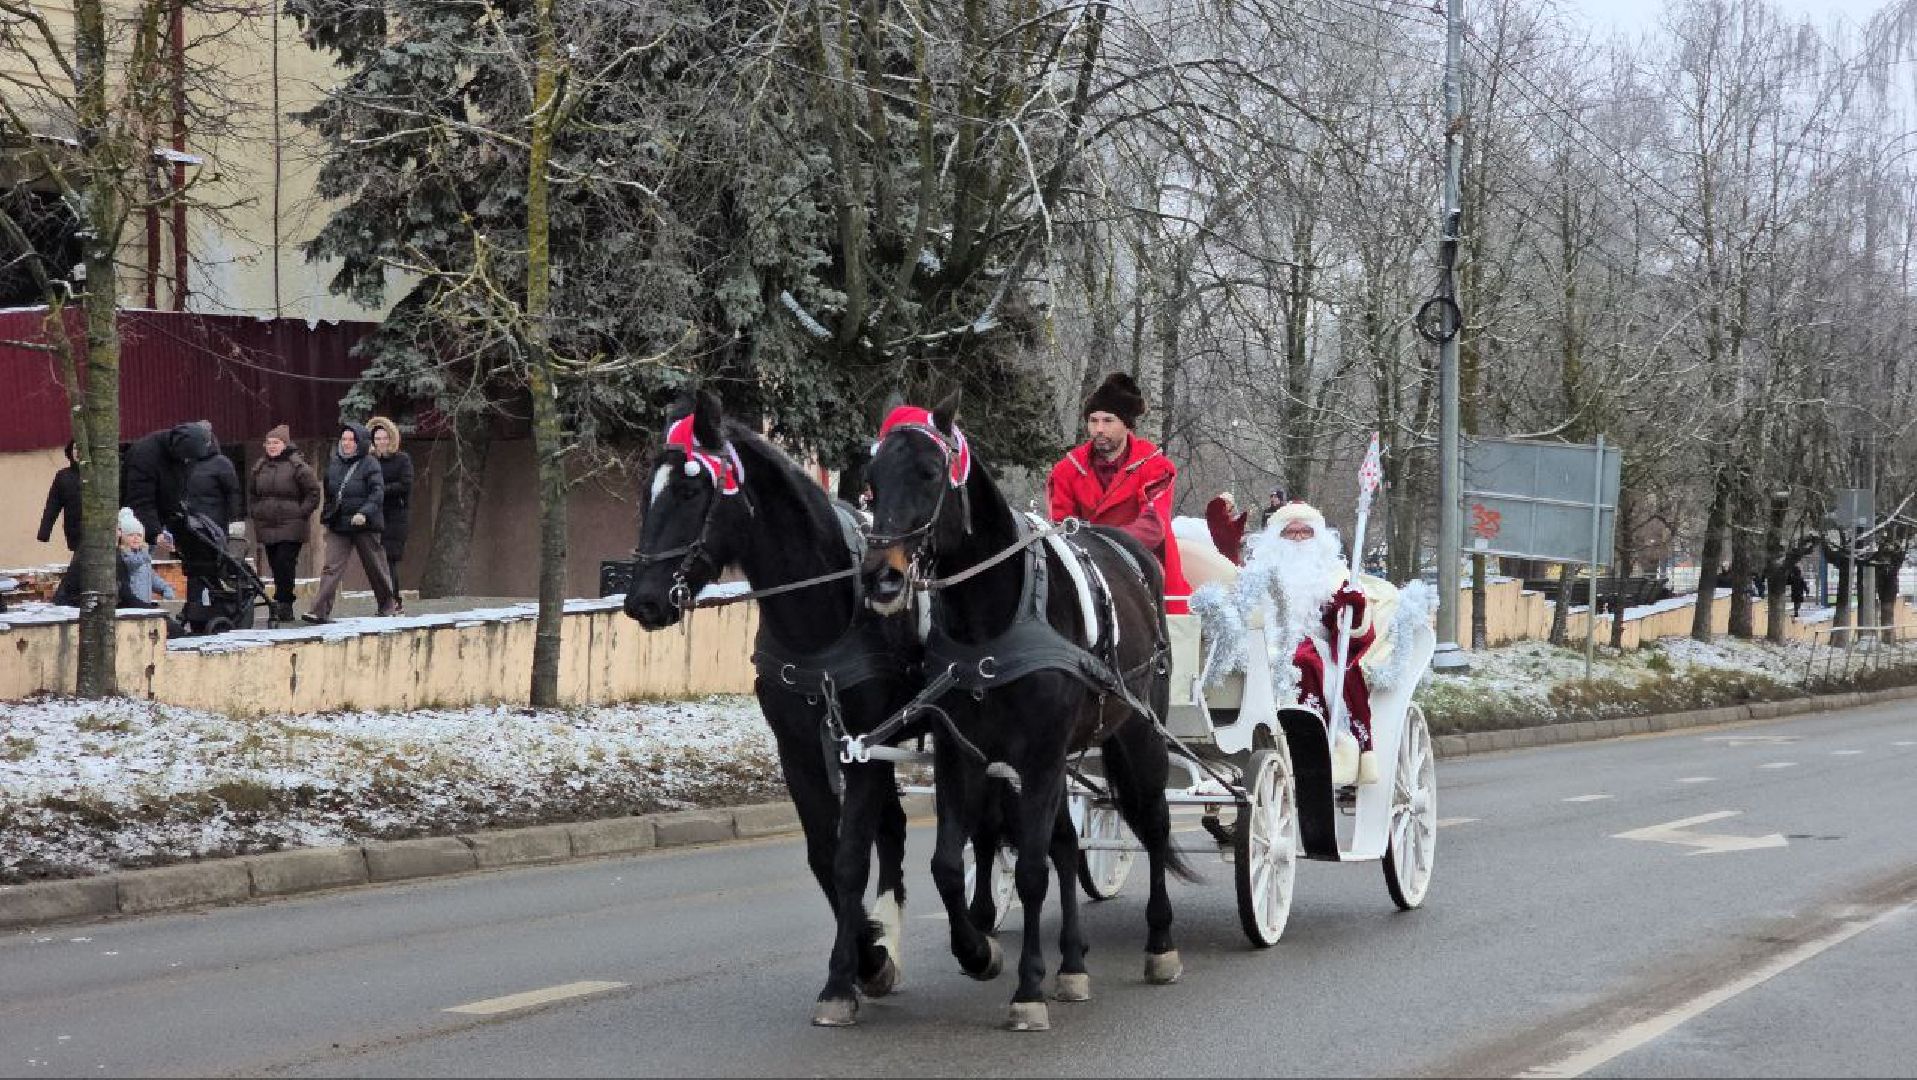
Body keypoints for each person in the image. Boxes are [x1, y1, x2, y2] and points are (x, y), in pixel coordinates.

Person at [1046, 372, 1192, 613]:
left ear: (1126, 424)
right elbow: (1062, 528)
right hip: (1086, 569)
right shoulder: (1066, 470)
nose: (1099, 429)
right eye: (1093, 421)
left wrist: (1104, 546)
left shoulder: (1156, 467)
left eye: (1108, 421)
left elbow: (1152, 526)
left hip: (1144, 566)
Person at [1263, 500, 1379, 785]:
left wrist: (1352, 608)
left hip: (1317, 645)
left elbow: (1350, 634)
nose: (1298, 539)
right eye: (1291, 532)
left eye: (1306, 532)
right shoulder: (1259, 573)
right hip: (1264, 640)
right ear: (1276, 537)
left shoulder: (1336, 577)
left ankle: (1313, 744)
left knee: (1303, 662)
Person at [302, 423, 400, 623]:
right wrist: (327, 517)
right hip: (340, 524)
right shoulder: (335, 463)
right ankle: (319, 610)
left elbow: (377, 493)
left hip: (365, 524)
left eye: (351, 440)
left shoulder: (370, 463)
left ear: (360, 442)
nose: (346, 443)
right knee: (331, 567)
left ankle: (388, 605)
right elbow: (330, 493)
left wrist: (364, 513)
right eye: (344, 439)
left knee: (375, 566)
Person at [248, 424, 319, 623]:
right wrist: (256, 511)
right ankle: (282, 602)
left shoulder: (298, 466)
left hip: (291, 524)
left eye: (276, 443)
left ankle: (284, 603)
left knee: (285, 562)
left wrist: (300, 512)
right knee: (275, 564)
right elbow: (252, 493)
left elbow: (313, 493)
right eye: (269, 443)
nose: (272, 446)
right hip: (267, 524)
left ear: (285, 444)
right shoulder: (259, 467)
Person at [368, 416, 414, 608]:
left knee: (389, 559)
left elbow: (405, 484)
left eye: (385, 438)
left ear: (391, 438)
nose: (381, 442)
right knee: (377, 561)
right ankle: (385, 601)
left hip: (395, 515)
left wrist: (380, 490)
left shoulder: (402, 459)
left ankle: (394, 600)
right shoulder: (369, 461)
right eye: (377, 438)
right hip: (375, 515)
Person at [36, 440, 82, 552]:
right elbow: (52, 505)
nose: (78, 452)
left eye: (81, 448)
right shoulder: (63, 476)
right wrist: (44, 532)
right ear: (70, 451)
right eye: (75, 448)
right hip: (74, 531)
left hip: (98, 530)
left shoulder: (98, 475)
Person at [1205, 491, 1249, 565]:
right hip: (1226, 554)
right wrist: (1241, 520)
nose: (1230, 510)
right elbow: (1230, 534)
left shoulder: (1221, 516)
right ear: (1227, 502)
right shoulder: (1217, 509)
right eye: (1231, 507)